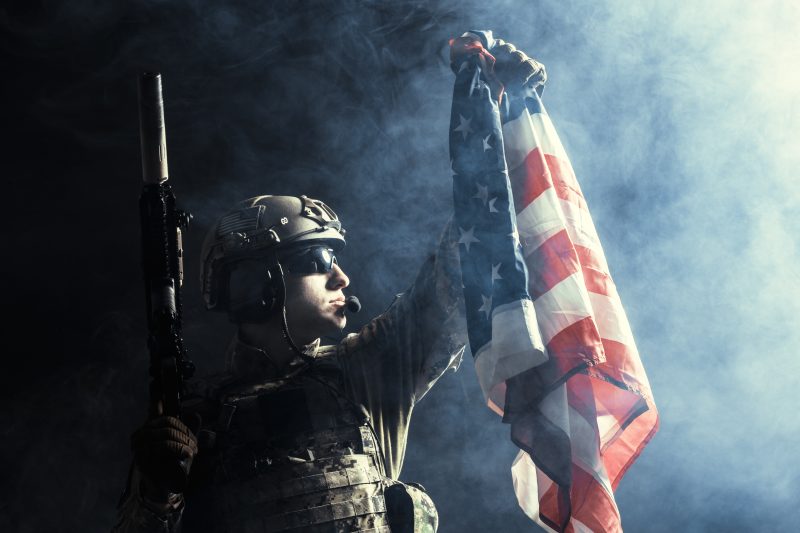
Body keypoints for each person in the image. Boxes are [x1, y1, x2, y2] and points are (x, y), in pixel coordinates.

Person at [113, 35, 543, 533]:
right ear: (255, 282)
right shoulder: (191, 421)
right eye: (317, 260)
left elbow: (462, 261)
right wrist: (157, 494)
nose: (341, 276)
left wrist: (497, 115)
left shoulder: (368, 370)